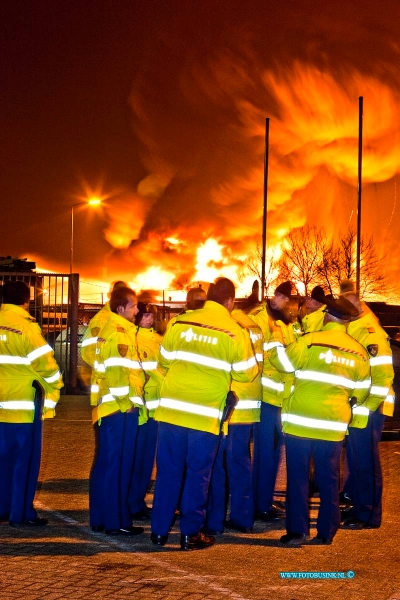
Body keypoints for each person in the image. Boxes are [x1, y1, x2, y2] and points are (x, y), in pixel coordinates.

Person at [150, 277, 259, 550]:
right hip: (205, 414)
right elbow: (247, 373)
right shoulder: (235, 332)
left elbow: (163, 359)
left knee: (167, 473)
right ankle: (189, 534)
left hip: (171, 411)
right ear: (231, 302)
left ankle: (159, 532)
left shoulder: (179, 322)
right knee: (199, 475)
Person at [270, 295, 371, 545]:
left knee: (298, 478)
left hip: (301, 422)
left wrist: (274, 346)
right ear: (346, 322)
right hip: (333, 425)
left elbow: (284, 364)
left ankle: (297, 532)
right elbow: (362, 391)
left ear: (327, 316)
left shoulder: (311, 340)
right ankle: (326, 533)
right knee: (329, 479)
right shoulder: (359, 352)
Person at [0, 280, 63, 526]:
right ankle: (21, 514)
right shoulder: (26, 327)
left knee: (2, 460)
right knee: (23, 462)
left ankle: (2, 508)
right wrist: (55, 386)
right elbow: (45, 365)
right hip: (23, 405)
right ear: (27, 301)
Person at [89, 286, 145, 536]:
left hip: (110, 407)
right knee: (118, 466)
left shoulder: (109, 328)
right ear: (121, 308)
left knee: (106, 465)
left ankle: (101, 517)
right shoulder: (120, 332)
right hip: (120, 409)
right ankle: (117, 522)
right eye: (133, 306)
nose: (137, 310)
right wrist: (127, 403)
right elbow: (118, 372)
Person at [204, 307, 263, 535]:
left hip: (229, 405)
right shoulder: (253, 326)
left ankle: (215, 521)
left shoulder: (227, 327)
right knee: (240, 465)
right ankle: (243, 518)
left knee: (217, 466)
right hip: (248, 406)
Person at [339, 288, 394, 529]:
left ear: (357, 308)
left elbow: (383, 376)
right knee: (357, 462)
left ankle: (368, 515)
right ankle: (359, 508)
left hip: (369, 409)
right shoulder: (358, 327)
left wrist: (368, 407)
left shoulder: (370, 333)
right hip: (359, 408)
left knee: (366, 463)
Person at [248, 281, 295, 522]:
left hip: (276, 396)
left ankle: (263, 499)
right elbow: (274, 356)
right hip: (267, 396)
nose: (286, 303)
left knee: (272, 452)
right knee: (267, 452)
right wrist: (295, 373)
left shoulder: (278, 320)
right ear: (277, 296)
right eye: (284, 298)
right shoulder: (261, 319)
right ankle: (261, 504)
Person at [129, 303, 164, 520]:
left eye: (152, 315)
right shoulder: (133, 338)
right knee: (138, 458)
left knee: (146, 460)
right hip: (143, 407)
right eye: (145, 315)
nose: (149, 319)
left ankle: (138, 501)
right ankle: (132, 502)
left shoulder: (159, 340)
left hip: (156, 407)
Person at [81, 280, 128, 406]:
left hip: (125, 385)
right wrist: (106, 369)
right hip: (106, 386)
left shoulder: (124, 319)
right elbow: (88, 351)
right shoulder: (101, 320)